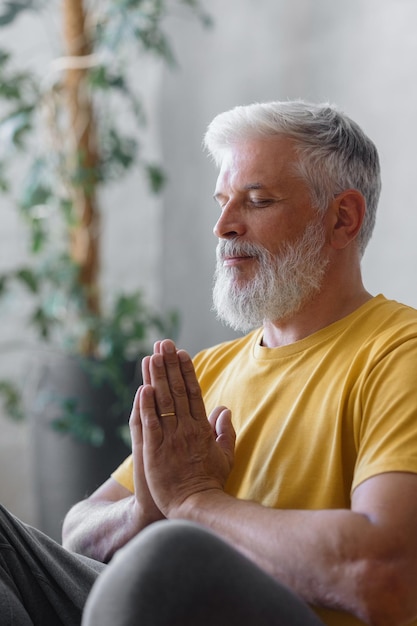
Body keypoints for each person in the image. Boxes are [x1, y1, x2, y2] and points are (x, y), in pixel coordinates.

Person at [1, 100, 417, 626]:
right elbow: (79, 529)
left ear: (342, 218)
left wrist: (197, 503)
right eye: (222, 202)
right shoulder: (208, 371)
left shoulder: (399, 353)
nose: (223, 226)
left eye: (257, 200)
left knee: (167, 558)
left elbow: (385, 575)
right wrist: (146, 509)